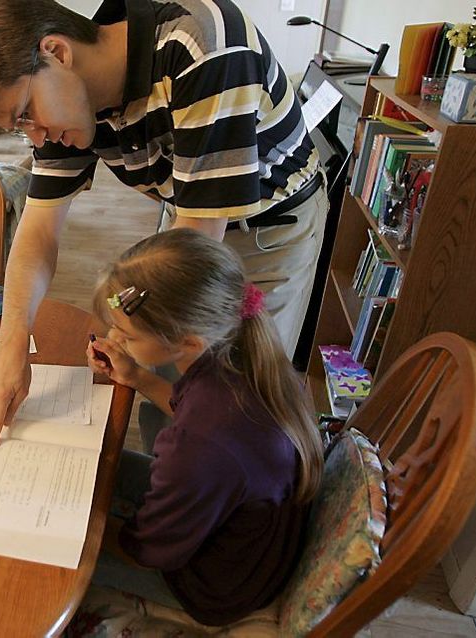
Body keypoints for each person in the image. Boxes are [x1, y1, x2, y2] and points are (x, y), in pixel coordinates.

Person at [0, 0, 328, 447]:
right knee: (163, 381)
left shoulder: (201, 46)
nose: (35, 137)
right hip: (188, 218)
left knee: (233, 409)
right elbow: (38, 232)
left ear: (56, 52)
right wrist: (12, 342)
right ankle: (165, 484)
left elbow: (200, 240)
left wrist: (126, 325)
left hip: (268, 229)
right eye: (19, 129)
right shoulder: (67, 104)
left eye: (25, 114)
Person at [85, 228, 323, 626]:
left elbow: (149, 553)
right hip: (249, 535)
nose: (113, 338)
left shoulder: (200, 445)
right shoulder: (240, 356)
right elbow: (193, 416)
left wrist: (84, 529)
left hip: (211, 586)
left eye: (126, 335)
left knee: (51, 554)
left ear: (188, 343)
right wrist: (138, 377)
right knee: (94, 460)